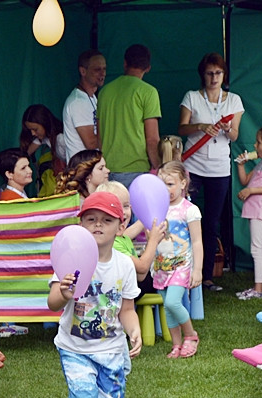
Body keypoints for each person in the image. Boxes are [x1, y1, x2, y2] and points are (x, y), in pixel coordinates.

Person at [47, 192, 142, 398]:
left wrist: (134, 330)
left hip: (111, 352)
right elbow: (52, 302)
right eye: (91, 219)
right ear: (81, 225)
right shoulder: (70, 260)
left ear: (121, 226)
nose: (98, 225)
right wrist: (63, 292)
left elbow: (127, 309)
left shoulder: (124, 265)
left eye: (106, 220)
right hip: (74, 350)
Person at [178, 53, 245, 291]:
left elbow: (235, 135)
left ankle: (206, 276)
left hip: (219, 168)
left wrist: (226, 129)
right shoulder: (192, 97)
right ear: (203, 75)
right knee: (184, 216)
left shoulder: (234, 100)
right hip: (193, 165)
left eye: (218, 73)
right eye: (209, 73)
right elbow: (182, 128)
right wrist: (200, 126)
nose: (214, 77)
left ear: (224, 75)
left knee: (211, 221)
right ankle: (180, 271)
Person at [152, 161, 203, 358]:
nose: (166, 189)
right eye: (161, 184)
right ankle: (176, 344)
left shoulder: (189, 210)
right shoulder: (157, 209)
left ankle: (190, 335)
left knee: (173, 302)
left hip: (181, 267)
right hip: (161, 267)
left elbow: (197, 242)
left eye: (170, 184)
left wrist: (197, 270)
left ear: (183, 183)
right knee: (167, 307)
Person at [98, 44, 161, 186]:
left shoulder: (104, 92)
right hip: (136, 169)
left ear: (125, 63)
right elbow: (152, 139)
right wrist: (159, 168)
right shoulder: (149, 92)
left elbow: (100, 137)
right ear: (148, 68)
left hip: (106, 169)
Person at [235, 126, 262, 300]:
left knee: (257, 248)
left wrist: (251, 191)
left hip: (260, 209)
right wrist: (241, 165)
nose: (255, 145)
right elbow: (245, 180)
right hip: (254, 209)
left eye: (258, 142)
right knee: (261, 247)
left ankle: (259, 288)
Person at [96, 179, 167, 290]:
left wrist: (149, 216)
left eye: (126, 206)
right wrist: (153, 241)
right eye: (117, 206)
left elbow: (140, 276)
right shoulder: (112, 243)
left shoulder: (122, 238)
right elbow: (142, 268)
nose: (123, 212)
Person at [62, 49, 107, 163]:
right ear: (83, 71)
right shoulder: (78, 102)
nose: (103, 73)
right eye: (97, 69)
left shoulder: (92, 97)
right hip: (81, 170)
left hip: (90, 168)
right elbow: (91, 143)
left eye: (104, 69)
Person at [20, 104, 65, 197]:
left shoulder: (61, 138)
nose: (33, 133)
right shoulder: (45, 137)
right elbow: (25, 153)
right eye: (30, 130)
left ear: (45, 123)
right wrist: (1, 166)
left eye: (35, 129)